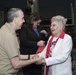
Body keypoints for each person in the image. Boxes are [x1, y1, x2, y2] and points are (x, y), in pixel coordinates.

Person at [0, 8, 43, 75]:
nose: (23, 21)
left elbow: (15, 56)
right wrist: (34, 60)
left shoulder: (4, 29)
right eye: (22, 18)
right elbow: (16, 64)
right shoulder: (9, 36)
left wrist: (32, 56)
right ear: (15, 20)